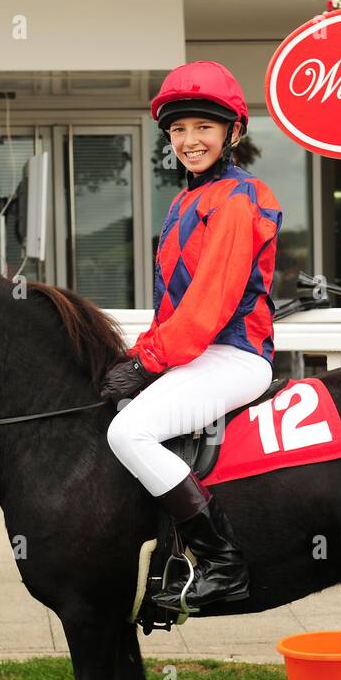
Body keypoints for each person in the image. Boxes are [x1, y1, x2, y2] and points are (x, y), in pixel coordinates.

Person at [100, 60, 282, 613]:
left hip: (234, 355)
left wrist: (150, 360)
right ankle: (165, 563)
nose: (189, 140)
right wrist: (138, 353)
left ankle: (222, 562)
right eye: (178, 129)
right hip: (194, 354)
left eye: (203, 126)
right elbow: (171, 306)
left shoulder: (240, 198)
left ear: (233, 132)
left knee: (129, 434)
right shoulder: (183, 201)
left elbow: (210, 302)